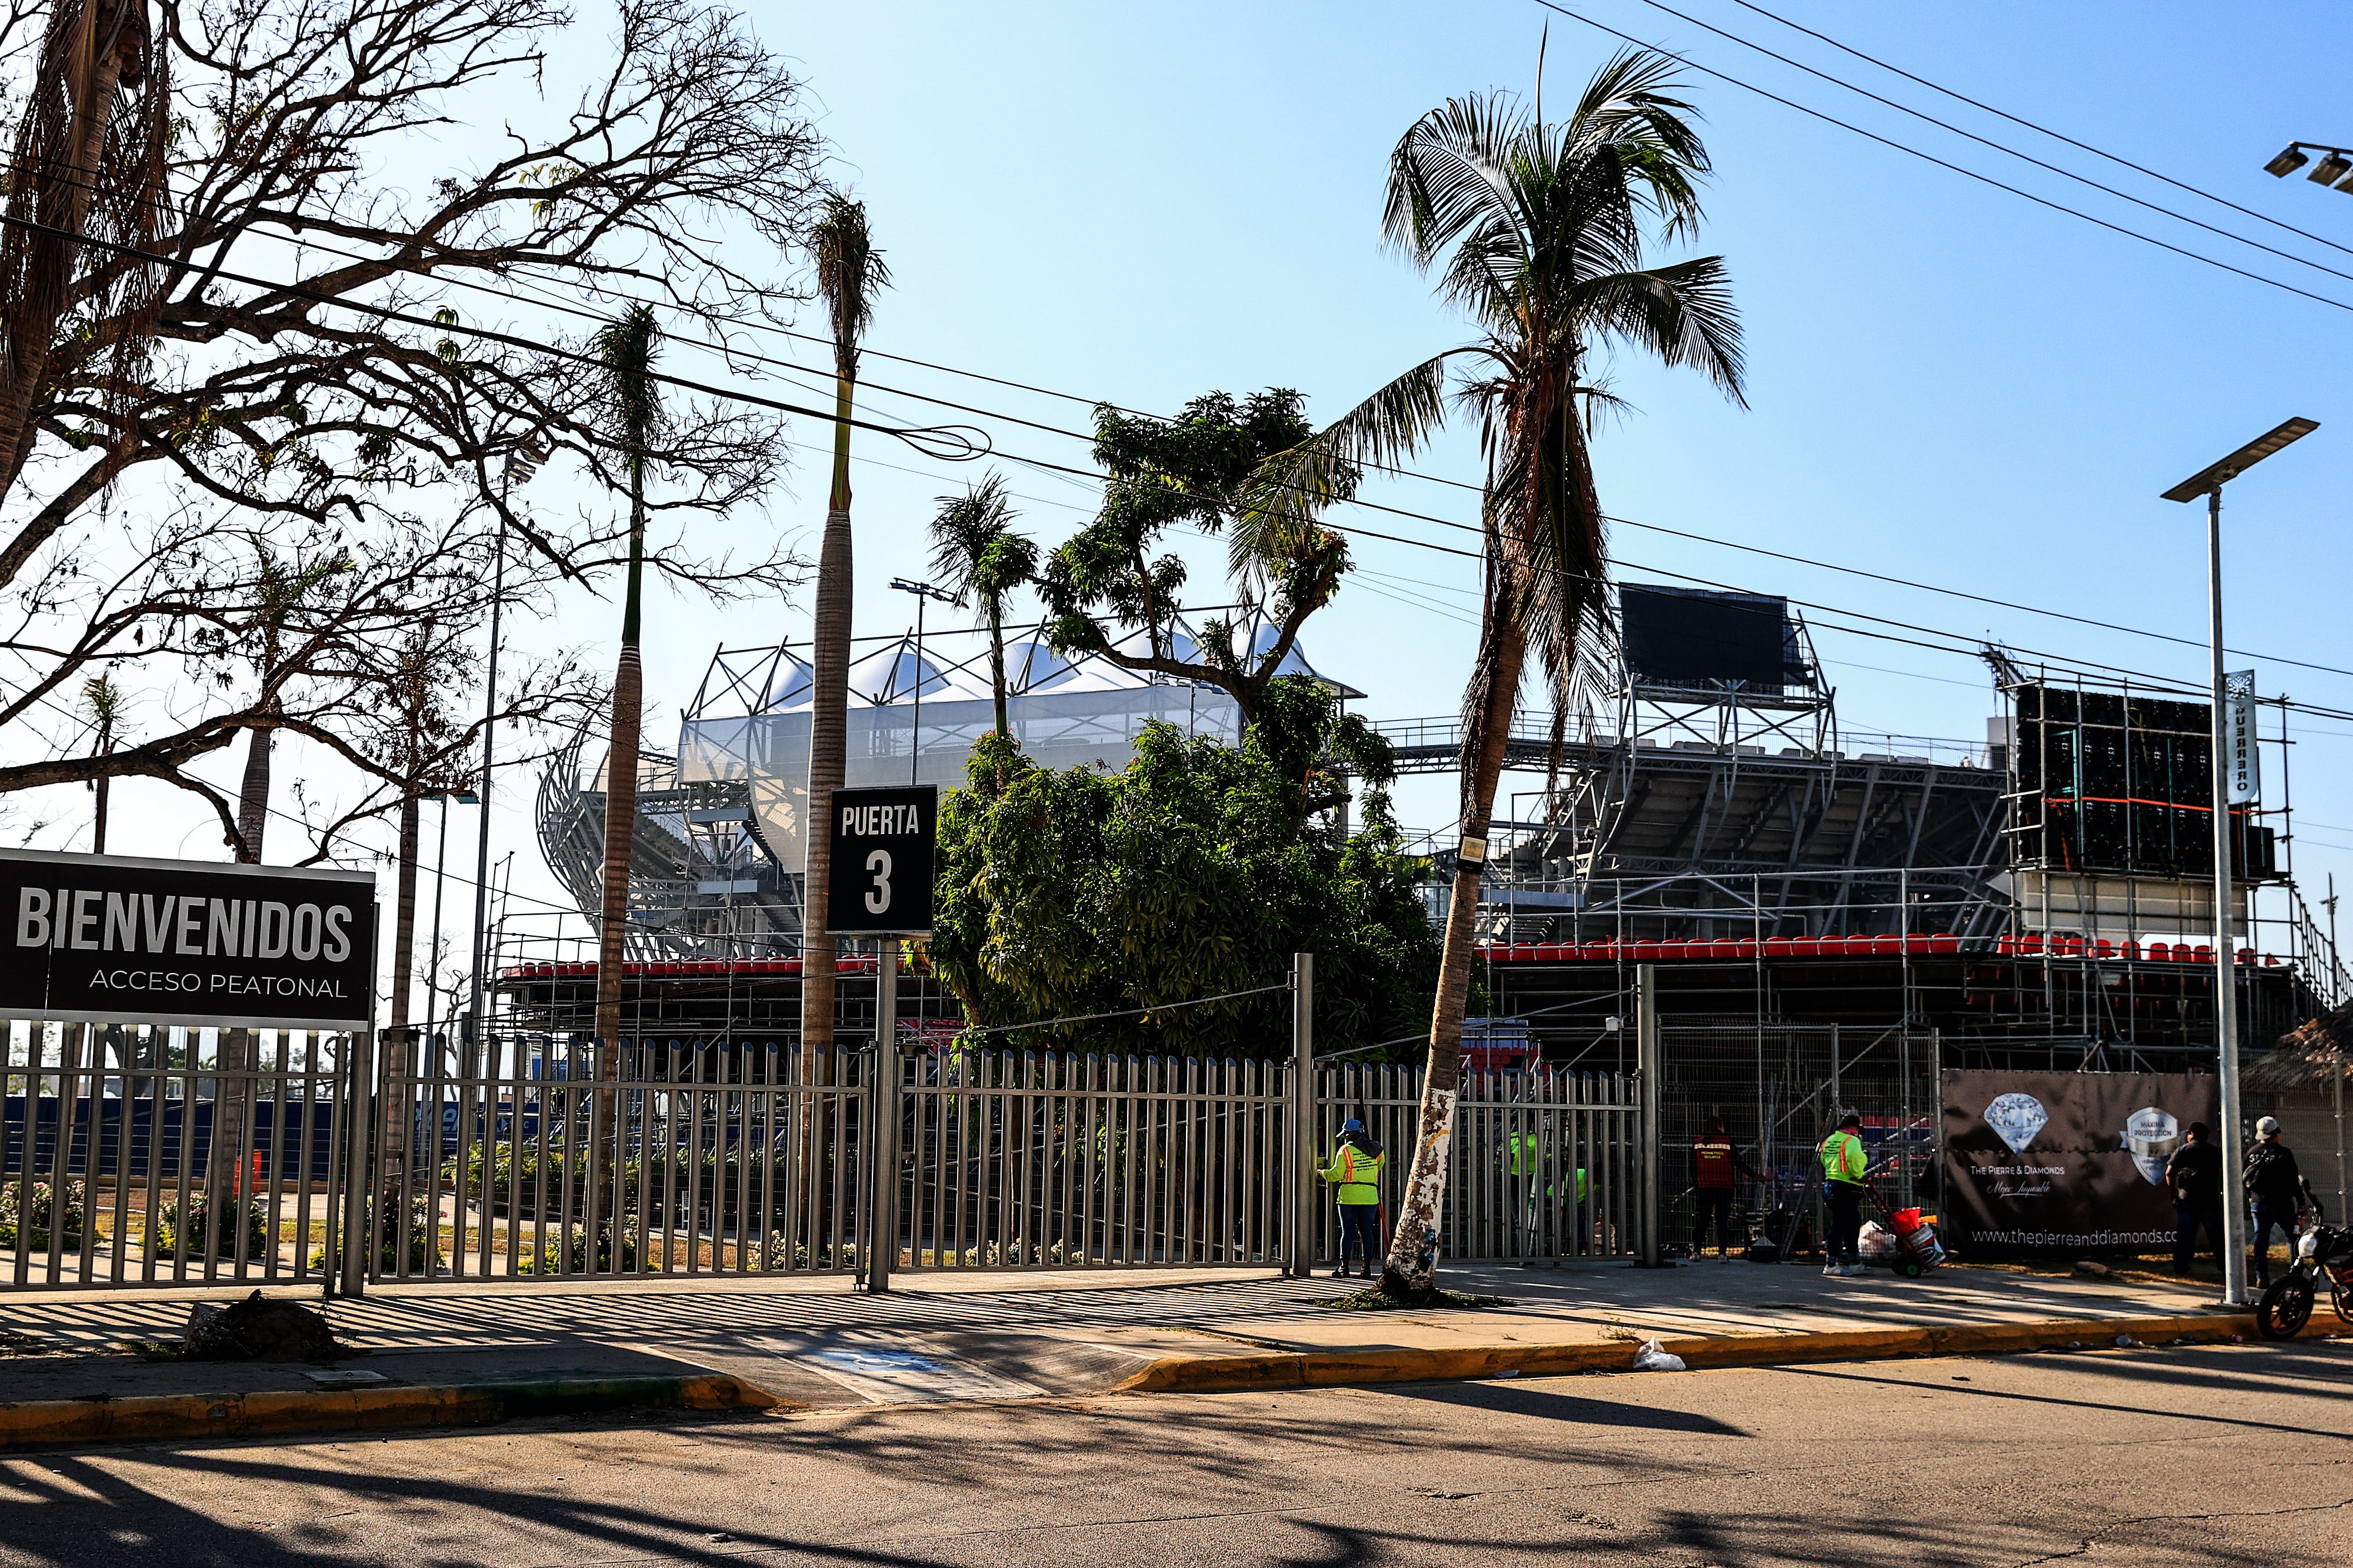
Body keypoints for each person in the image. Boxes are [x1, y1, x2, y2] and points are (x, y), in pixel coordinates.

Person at [2244, 1115, 2310, 1289]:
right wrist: (2301, 1203)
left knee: (2261, 1240)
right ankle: (2295, 1274)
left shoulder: (2251, 1154)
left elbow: (2244, 1178)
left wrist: (2250, 1197)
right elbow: (2293, 1182)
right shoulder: (2283, 1154)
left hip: (2259, 1203)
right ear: (2276, 1134)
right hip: (2283, 1204)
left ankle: (2261, 1277)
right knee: (2293, 1238)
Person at [1319, 1119, 1385, 1279]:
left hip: (1349, 1196)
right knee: (1367, 1232)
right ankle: (1367, 1268)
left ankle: (1344, 1267)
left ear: (1349, 1135)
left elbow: (1336, 1175)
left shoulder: (1345, 1151)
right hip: (1370, 1196)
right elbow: (1380, 1166)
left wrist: (1321, 1173)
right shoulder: (1377, 1149)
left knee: (1347, 1232)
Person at [2162, 1120, 2224, 1275]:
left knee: (2185, 1235)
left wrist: (2173, 1193)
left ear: (2192, 1134)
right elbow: (2222, 1171)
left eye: (2188, 1134)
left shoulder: (2182, 1151)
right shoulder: (2215, 1152)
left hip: (2187, 1199)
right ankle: (2224, 1266)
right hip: (2209, 1200)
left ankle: (2181, 1267)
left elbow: (2169, 1173)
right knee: (2216, 1236)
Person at [1692, 1118, 1756, 1260]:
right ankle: (1722, 1253)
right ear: (1719, 1127)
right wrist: (1755, 1176)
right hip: (1724, 1187)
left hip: (1705, 1187)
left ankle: (1696, 1252)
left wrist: (1696, 1183)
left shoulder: (1698, 1144)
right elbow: (1739, 1164)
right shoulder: (1727, 1143)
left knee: (1702, 1220)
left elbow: (1692, 1166)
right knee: (1722, 1221)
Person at [1819, 1110, 1869, 1277]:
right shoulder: (1851, 1141)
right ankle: (1831, 1264)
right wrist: (1859, 1175)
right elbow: (1854, 1158)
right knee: (1839, 1225)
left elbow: (1824, 1160)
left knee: (1853, 1222)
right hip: (1846, 1187)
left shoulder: (1829, 1140)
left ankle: (1855, 1262)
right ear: (1853, 1128)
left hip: (1831, 1185)